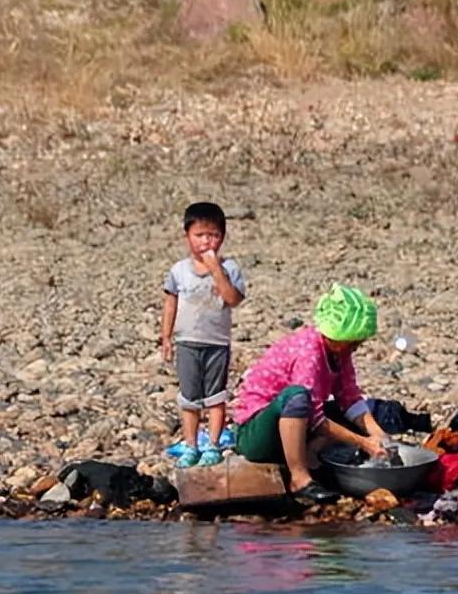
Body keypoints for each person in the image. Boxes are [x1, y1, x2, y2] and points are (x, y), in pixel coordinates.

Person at [232, 284, 389, 498]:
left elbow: (350, 397)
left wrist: (377, 434)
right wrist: (363, 442)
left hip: (297, 426)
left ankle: (311, 450)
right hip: (257, 434)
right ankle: (299, 478)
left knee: (363, 413)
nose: (357, 346)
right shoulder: (309, 351)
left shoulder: (339, 353)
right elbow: (312, 414)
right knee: (297, 397)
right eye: (353, 342)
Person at [160, 202, 247, 468]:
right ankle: (190, 445)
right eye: (200, 235)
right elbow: (170, 303)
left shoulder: (230, 268)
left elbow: (232, 299)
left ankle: (213, 443)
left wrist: (216, 270)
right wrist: (166, 337)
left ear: (222, 237)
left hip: (216, 342)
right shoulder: (179, 271)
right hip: (187, 341)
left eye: (213, 235)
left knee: (215, 396)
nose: (207, 241)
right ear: (187, 235)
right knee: (189, 397)